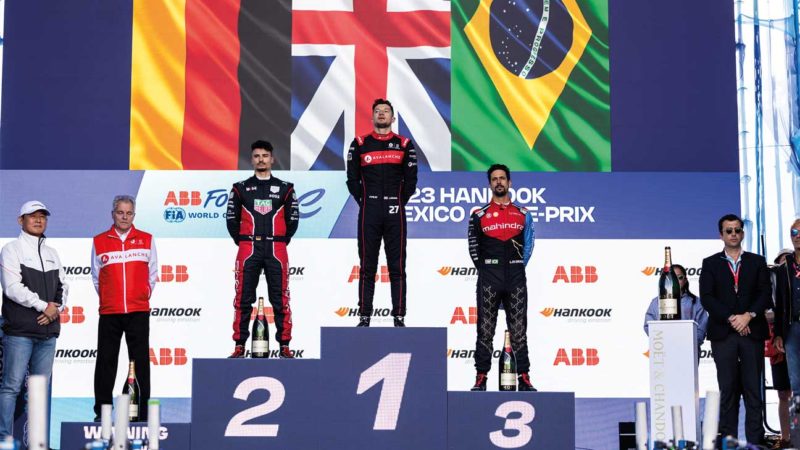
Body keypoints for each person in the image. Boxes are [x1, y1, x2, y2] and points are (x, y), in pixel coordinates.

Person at [345, 98, 418, 327]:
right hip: (370, 211)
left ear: (393, 118)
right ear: (372, 116)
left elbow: (411, 181)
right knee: (367, 266)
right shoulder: (359, 143)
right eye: (378, 111)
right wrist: (367, 201)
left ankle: (399, 317)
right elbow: (352, 180)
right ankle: (364, 317)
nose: (382, 114)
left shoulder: (405, 144)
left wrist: (397, 201)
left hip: (395, 211)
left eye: (386, 111)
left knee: (397, 266)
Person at [700, 213, 771, 445]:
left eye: (737, 230)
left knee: (753, 392)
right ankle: (729, 443)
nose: (733, 234)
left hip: (752, 332)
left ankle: (755, 444)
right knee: (728, 393)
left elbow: (765, 294)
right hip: (724, 334)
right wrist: (733, 318)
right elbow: (707, 298)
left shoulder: (757, 261)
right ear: (721, 234)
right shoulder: (710, 263)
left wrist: (748, 317)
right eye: (728, 230)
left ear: (743, 232)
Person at [226, 140, 299, 358]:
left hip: (276, 247)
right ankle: (240, 345)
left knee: (281, 298)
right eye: (257, 156)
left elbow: (293, 220)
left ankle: (284, 346)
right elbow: (231, 219)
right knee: (242, 298)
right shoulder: (240, 188)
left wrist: (281, 240)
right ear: (252, 159)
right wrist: (243, 241)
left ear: (272, 159)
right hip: (249, 247)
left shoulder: (286, 189)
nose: (261, 160)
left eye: (265, 156)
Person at [0, 201, 66, 438]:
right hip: (19, 332)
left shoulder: (52, 253)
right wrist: (43, 307)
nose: (39, 220)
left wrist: (56, 308)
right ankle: (4, 439)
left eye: (42, 217)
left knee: (38, 392)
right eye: (33, 216)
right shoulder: (11, 249)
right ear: (21, 220)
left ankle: (36, 442)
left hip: (48, 333)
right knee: (11, 387)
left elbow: (63, 286)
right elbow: (12, 288)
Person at [468, 164, 536, 391]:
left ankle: (524, 378)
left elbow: (529, 246)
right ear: (490, 184)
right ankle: (481, 378)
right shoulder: (479, 215)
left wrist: (516, 266)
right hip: (489, 278)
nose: (499, 182)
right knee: (485, 330)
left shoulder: (524, 214)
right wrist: (487, 270)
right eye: (494, 179)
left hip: (515, 277)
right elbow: (473, 247)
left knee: (519, 331)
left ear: (509, 182)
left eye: (502, 178)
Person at [91, 195, 157, 421]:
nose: (125, 217)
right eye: (121, 212)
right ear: (113, 214)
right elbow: (96, 277)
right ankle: (102, 411)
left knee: (139, 363)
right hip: (110, 312)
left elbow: (153, 274)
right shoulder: (99, 241)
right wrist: (111, 298)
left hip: (138, 311)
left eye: (129, 213)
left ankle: (140, 412)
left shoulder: (147, 239)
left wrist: (141, 296)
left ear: (134, 215)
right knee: (106, 362)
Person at [643, 263, 708, 351]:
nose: (675, 281)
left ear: (685, 280)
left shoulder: (696, 302)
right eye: (671, 278)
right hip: (663, 350)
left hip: (689, 349)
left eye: (679, 277)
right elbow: (648, 325)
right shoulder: (656, 302)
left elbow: (702, 327)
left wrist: (692, 343)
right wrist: (660, 342)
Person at [768, 247, 795, 449]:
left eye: (789, 261)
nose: (785, 265)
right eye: (781, 261)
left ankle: (797, 436)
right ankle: (786, 437)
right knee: (783, 393)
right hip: (778, 344)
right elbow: (765, 312)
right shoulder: (770, 284)